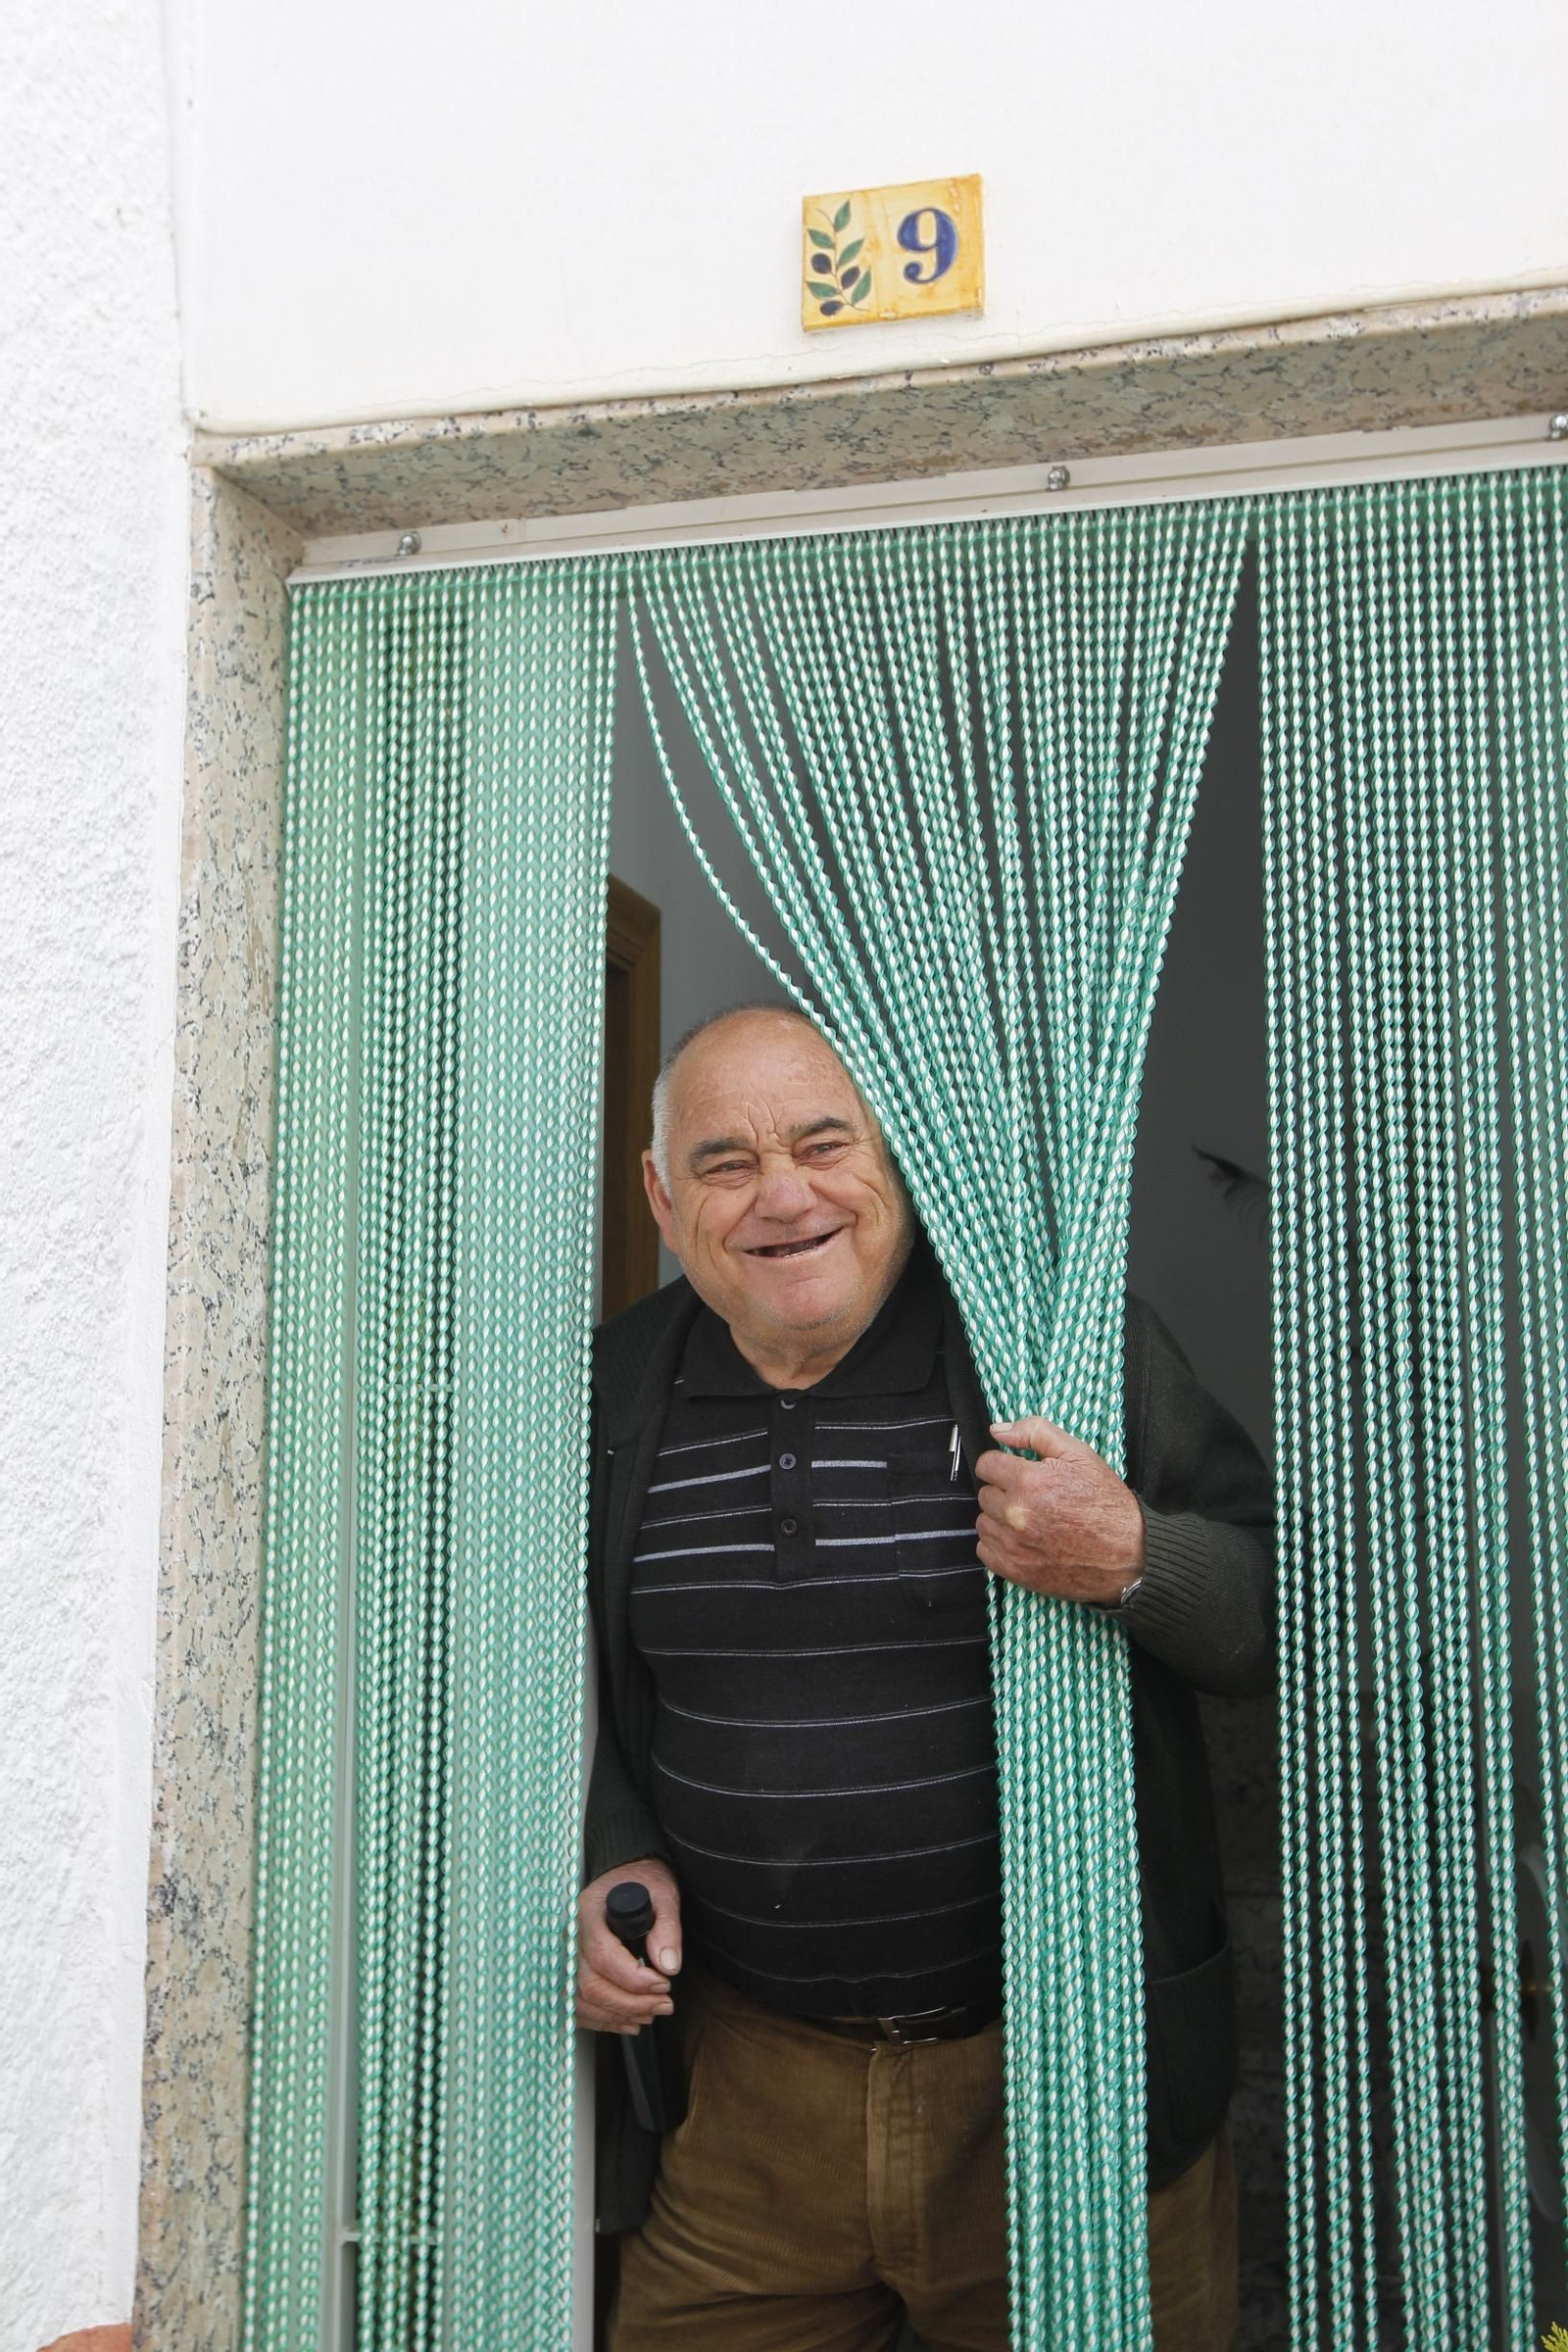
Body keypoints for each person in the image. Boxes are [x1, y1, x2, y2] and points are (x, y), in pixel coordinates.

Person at [578, 1003, 1274, 2352]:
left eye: (823, 1144)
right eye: (726, 1163)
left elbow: (1272, 1613)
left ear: (893, 1159)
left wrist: (1134, 1555)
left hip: (1062, 2087)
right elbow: (562, 1687)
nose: (785, 1194)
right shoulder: (607, 1394)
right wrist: (614, 1849)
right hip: (749, 2106)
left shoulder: (1052, 1353)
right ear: (663, 1198)